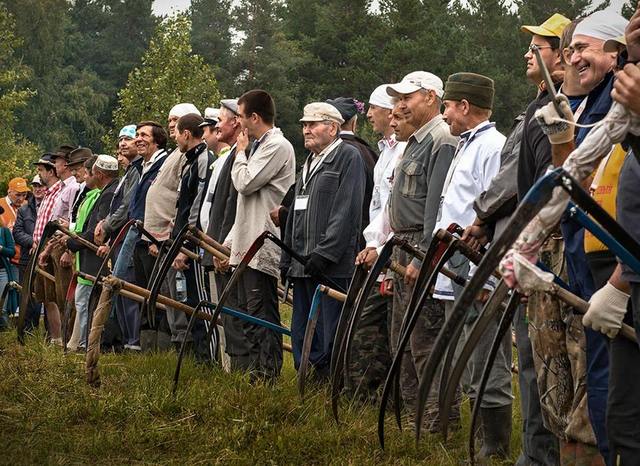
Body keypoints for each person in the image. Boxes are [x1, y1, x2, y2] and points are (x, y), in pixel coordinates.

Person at [534, 11, 628, 463]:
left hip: (617, 262)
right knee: (600, 388)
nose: (572, 57)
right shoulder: (589, 102)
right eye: (569, 50)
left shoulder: (621, 99)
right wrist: (560, 136)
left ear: (616, 54)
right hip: (582, 257)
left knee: (614, 397)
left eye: (583, 48)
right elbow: (571, 179)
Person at [357, 71, 456, 428]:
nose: (400, 105)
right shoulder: (414, 142)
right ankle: (413, 418)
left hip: (419, 245)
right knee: (403, 336)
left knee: (425, 337)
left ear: (431, 97)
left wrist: (425, 255)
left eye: (407, 98)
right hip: (402, 245)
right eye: (397, 99)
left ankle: (436, 420)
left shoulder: (441, 140)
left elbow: (437, 207)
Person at [435, 72, 510, 457]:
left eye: (447, 105)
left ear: (464, 106)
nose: (444, 113)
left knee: (486, 355)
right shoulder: (466, 145)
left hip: (481, 267)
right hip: (460, 268)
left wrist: (487, 274)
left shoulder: (492, 147)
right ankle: (481, 437)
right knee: (469, 355)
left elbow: (494, 213)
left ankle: (494, 444)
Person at [283, 101, 365, 379]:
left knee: (331, 327)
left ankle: (333, 384)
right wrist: (288, 259)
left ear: (332, 128)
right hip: (302, 262)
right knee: (304, 328)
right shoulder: (309, 162)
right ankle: (310, 378)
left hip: (330, 265)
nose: (306, 130)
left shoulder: (347, 157)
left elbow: (347, 211)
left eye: (312, 124)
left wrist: (325, 253)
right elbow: (296, 211)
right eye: (304, 124)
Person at [223, 89, 295, 380]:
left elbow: (245, 182)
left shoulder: (276, 145)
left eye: (240, 116)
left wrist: (239, 154)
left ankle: (268, 375)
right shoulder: (259, 146)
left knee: (261, 312)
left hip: (262, 242)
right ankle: (256, 372)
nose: (239, 123)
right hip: (247, 241)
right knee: (249, 314)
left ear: (254, 117)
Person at [346, 85, 406, 401]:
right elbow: (378, 207)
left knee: (379, 329)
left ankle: (377, 398)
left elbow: (396, 209)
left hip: (392, 254)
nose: (368, 114)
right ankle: (370, 396)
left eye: (374, 108)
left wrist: (380, 249)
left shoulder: (405, 150)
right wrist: (371, 243)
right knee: (371, 327)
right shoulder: (385, 151)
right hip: (377, 251)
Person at [143, 104, 201, 350]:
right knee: (166, 290)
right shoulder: (176, 153)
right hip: (162, 236)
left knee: (179, 291)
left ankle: (184, 342)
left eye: (176, 121)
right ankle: (176, 340)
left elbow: (182, 199)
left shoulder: (189, 156)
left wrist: (168, 236)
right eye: (169, 120)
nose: (171, 125)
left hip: (172, 236)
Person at [111, 120, 169, 351]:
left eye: (143, 135)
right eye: (137, 135)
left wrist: (158, 236)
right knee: (144, 292)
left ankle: (158, 348)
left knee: (157, 293)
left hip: (153, 238)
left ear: (157, 141)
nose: (137, 139)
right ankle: (146, 347)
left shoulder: (164, 163)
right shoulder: (143, 166)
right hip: (139, 237)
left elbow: (168, 201)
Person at [61, 155, 119, 350]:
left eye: (90, 173)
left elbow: (97, 229)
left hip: (96, 259)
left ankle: (89, 344)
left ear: (99, 174)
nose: (87, 177)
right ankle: (87, 343)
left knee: (88, 304)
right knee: (84, 303)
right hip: (88, 258)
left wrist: (72, 242)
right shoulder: (101, 192)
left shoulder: (107, 194)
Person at [170, 113, 214, 362]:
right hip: (181, 241)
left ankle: (208, 358)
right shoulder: (189, 160)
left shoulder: (203, 159)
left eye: (176, 132)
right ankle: (199, 356)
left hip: (193, 244)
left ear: (187, 133)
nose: (175, 137)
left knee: (199, 300)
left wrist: (186, 244)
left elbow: (197, 205)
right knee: (187, 298)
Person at [96, 124, 144, 351]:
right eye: (120, 139)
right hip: (119, 239)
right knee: (120, 289)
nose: (123, 143)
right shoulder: (130, 172)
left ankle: (133, 341)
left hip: (129, 237)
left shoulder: (138, 171)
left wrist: (106, 224)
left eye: (129, 139)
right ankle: (127, 341)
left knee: (128, 288)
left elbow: (126, 208)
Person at [326, 97, 377, 240]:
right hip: (363, 233)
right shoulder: (368, 152)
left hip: (339, 236)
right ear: (354, 123)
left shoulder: (331, 151)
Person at [31, 153, 65, 344]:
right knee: (46, 296)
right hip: (40, 246)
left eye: (41, 170)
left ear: (51, 171)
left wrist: (47, 245)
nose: (39, 174)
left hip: (51, 245)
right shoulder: (48, 193)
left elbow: (54, 223)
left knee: (55, 293)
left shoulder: (60, 191)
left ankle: (60, 337)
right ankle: (54, 337)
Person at [13, 175, 46, 330]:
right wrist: (31, 241)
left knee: (43, 295)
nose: (38, 189)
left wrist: (41, 245)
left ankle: (46, 334)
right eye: (35, 186)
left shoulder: (51, 206)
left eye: (41, 185)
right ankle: (26, 332)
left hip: (45, 257)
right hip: (27, 258)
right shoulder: (24, 209)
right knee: (26, 295)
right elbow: (17, 232)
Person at [0, 177, 30, 266]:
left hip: (26, 258)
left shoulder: (27, 205)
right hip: (6, 260)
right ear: (9, 192)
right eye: (18, 195)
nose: (21, 199)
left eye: (24, 195)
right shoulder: (1, 205)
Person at [0, 207, 16, 331]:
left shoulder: (4, 231)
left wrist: (1, 248)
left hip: (2, 271)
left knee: (3, 306)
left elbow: (12, 252)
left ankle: (7, 333)